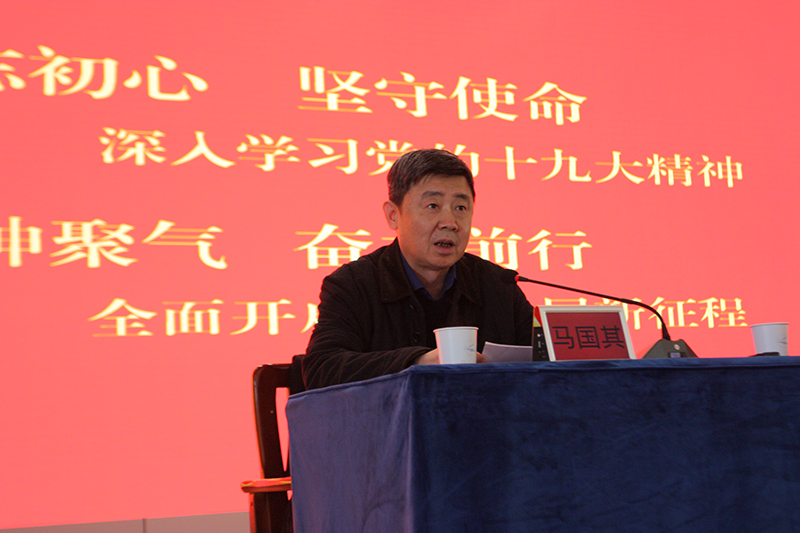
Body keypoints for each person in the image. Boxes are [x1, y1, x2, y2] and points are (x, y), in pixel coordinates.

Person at [301, 148, 534, 390]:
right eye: (432, 206)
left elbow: (546, 360)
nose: (450, 223)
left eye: (460, 208)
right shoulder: (354, 284)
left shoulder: (498, 284)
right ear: (393, 215)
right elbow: (322, 369)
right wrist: (417, 363)